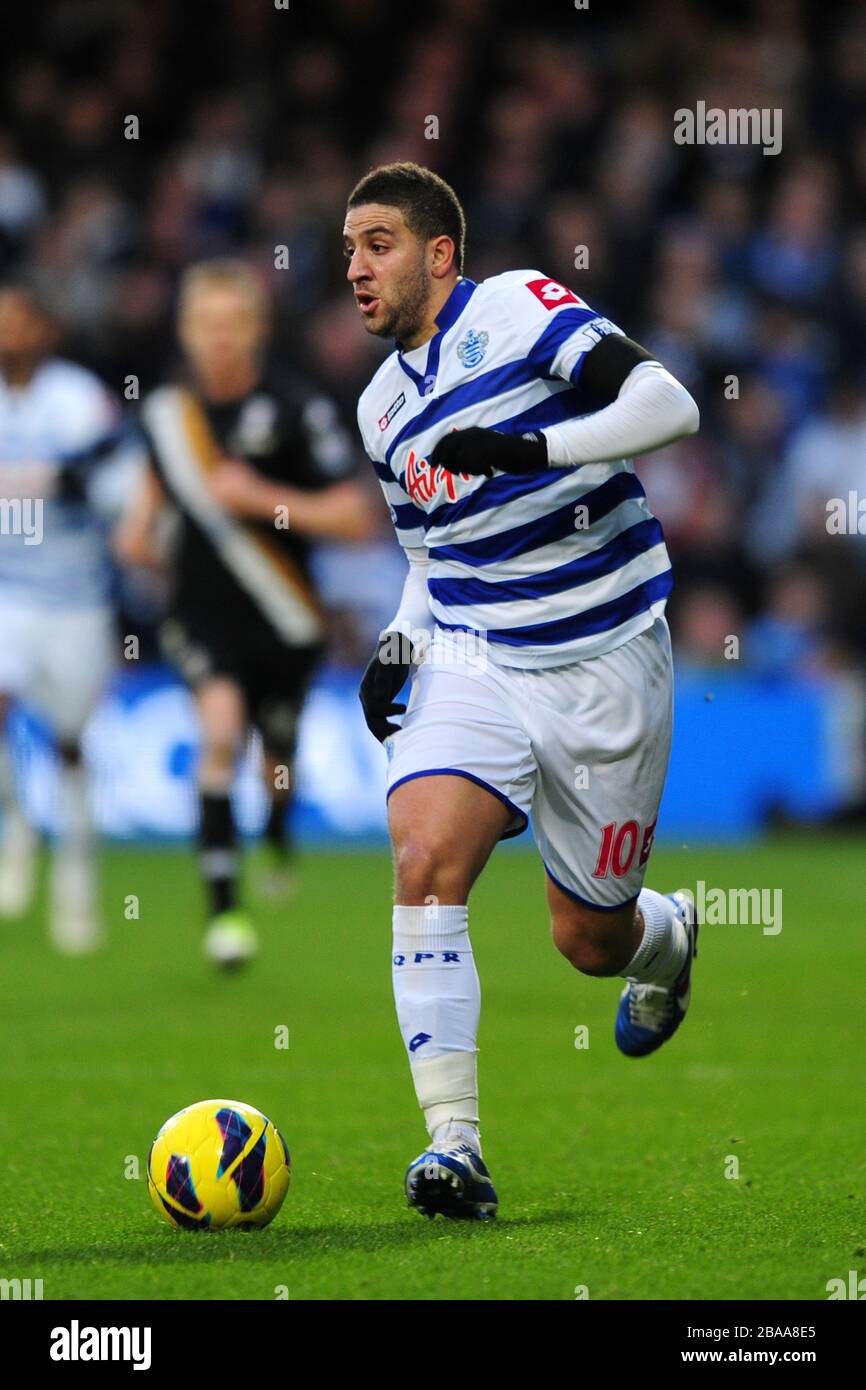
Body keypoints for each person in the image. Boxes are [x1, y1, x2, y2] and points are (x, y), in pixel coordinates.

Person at [345, 162, 701, 1220]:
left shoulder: (519, 309)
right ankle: (453, 1145)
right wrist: (402, 641)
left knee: (585, 941)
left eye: (377, 245)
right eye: (347, 249)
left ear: (439, 254)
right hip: (477, 655)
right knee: (421, 855)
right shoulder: (377, 410)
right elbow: (434, 547)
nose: (354, 268)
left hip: (604, 661)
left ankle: (667, 934)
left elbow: (669, 405)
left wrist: (531, 444)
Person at [117, 260, 375, 967]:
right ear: (187, 331)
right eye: (206, 324)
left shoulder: (296, 405)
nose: (219, 338)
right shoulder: (167, 417)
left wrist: (260, 497)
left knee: (277, 763)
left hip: (286, 620)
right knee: (220, 734)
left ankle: (279, 834)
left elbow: (355, 517)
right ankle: (225, 917)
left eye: (233, 324)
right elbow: (148, 509)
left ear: (257, 329)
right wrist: (137, 537)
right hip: (201, 616)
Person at [0, 283, 140, 952]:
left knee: (71, 745)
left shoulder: (77, 399)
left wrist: (77, 481)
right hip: (8, 592)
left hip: (76, 601)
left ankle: (77, 881)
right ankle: (16, 823)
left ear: (44, 328)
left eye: (17, 317)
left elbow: (118, 483)